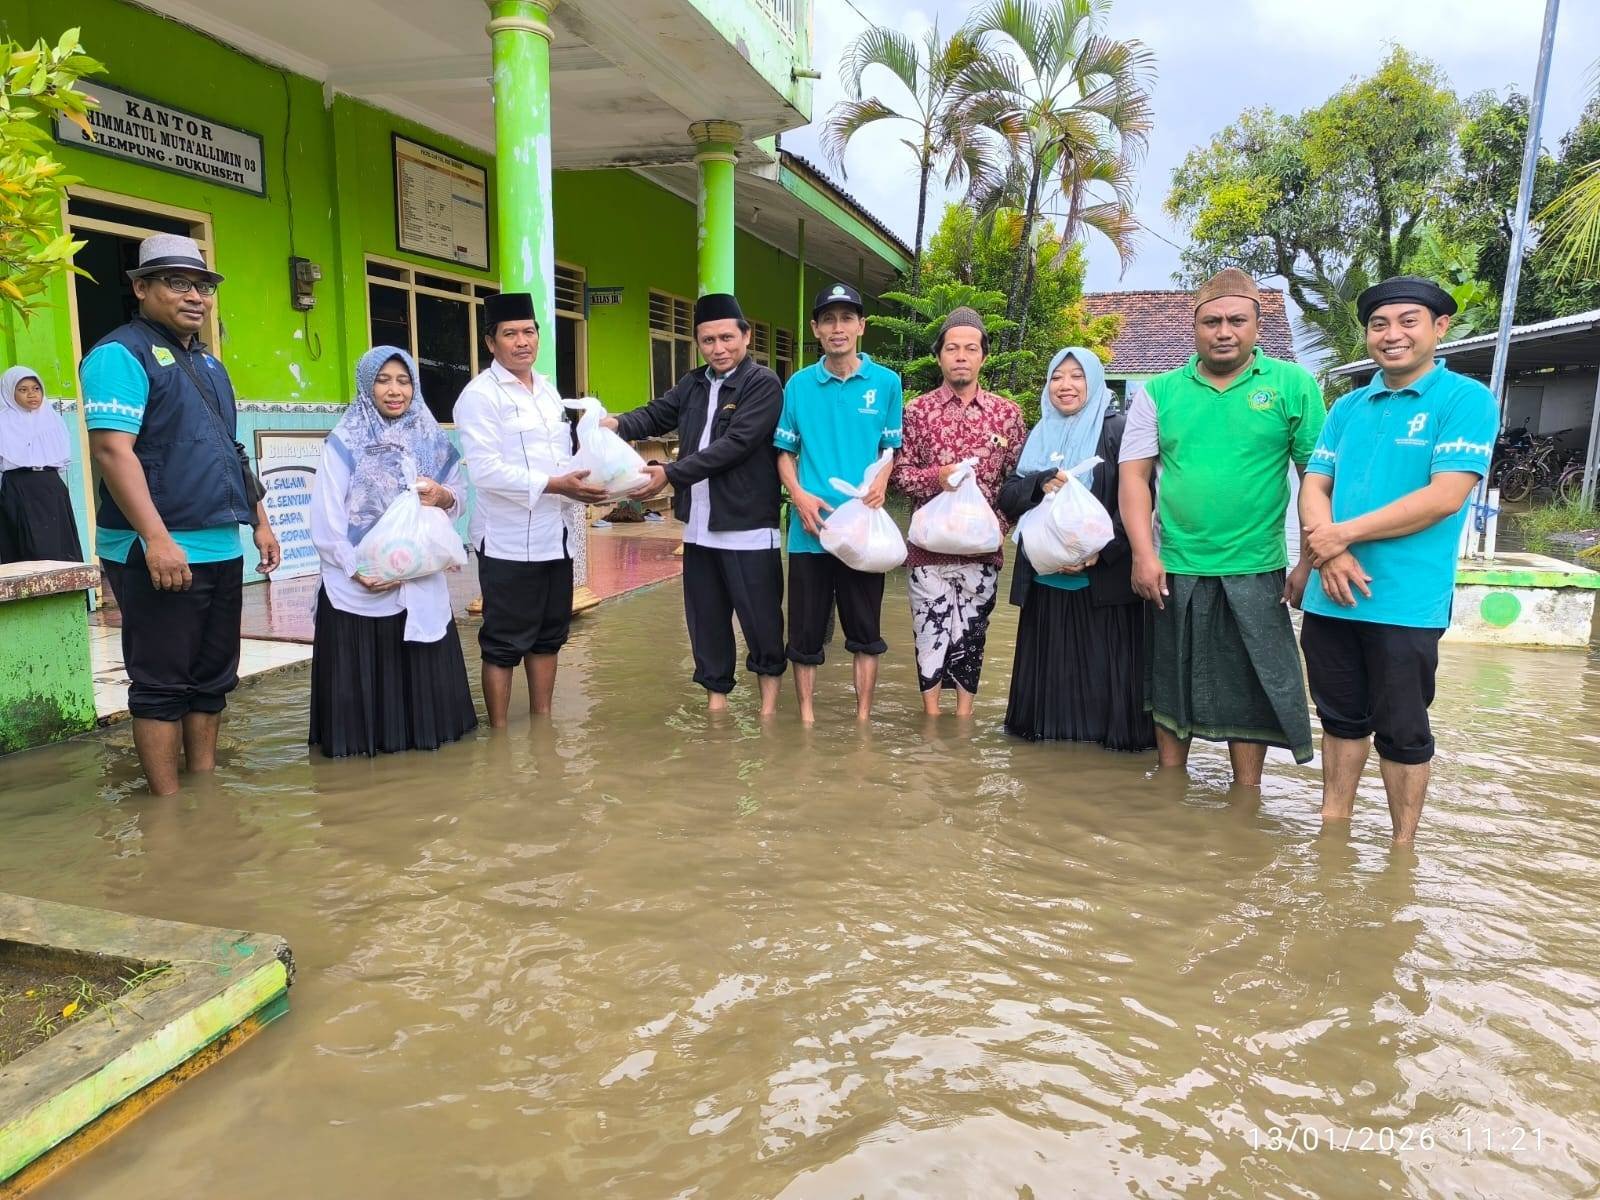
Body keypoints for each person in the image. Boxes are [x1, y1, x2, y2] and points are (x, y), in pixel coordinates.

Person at [1299, 276, 1498, 845]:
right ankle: (1331, 834)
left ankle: (1402, 850)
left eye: (1408, 321)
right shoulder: (1348, 406)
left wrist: (1338, 537)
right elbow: (1314, 485)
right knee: (1339, 722)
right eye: (1379, 324)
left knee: (1404, 731)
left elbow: (1444, 497)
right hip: (1329, 597)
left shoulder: (1464, 400)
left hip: (1405, 602)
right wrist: (1326, 548)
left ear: (1438, 329)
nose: (1392, 335)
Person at [80, 234, 280, 796]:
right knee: (162, 684)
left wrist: (259, 521)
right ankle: (167, 811)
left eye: (202, 286)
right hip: (158, 551)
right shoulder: (120, 354)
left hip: (219, 545)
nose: (195, 296)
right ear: (141, 288)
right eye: (177, 283)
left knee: (212, 681)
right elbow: (112, 451)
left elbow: (230, 449)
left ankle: (203, 793)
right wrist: (156, 539)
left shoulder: (209, 365)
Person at [1117, 268, 1324, 783]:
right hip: (1176, 565)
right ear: (1195, 326)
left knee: (1250, 687)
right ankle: (1170, 786)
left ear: (1257, 326)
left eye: (1236, 320)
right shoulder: (1159, 392)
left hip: (1257, 567)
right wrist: (1144, 553)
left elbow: (1316, 479)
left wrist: (1308, 561)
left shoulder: (1292, 385)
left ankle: (1246, 797)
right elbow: (1133, 480)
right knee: (1171, 684)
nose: (1223, 331)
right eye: (1211, 321)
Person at [606, 293, 786, 714]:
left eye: (726, 338)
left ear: (746, 336)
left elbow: (736, 445)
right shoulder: (694, 383)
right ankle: (716, 708)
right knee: (706, 622)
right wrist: (611, 424)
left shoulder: (763, 384)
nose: (718, 349)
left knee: (761, 623)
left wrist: (670, 474)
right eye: (708, 341)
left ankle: (769, 713)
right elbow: (654, 415)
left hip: (747, 527)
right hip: (700, 529)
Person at [308, 346, 477, 757]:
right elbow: (326, 513)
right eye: (383, 380)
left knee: (423, 690)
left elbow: (458, 496)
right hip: (361, 585)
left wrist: (443, 495)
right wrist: (352, 568)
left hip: (417, 577)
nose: (394, 390)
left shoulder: (430, 438)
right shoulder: (345, 440)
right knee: (362, 685)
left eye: (403, 380)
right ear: (367, 386)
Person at [454, 291, 607, 726]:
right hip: (506, 540)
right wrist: (553, 484)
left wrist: (592, 475)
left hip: (554, 538)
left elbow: (563, 458)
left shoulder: (548, 391)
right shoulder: (479, 396)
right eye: (510, 334)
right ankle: (499, 732)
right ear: (491, 343)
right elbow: (484, 471)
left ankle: (542, 722)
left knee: (548, 638)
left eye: (529, 332)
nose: (522, 342)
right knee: (503, 641)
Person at [1000, 347, 1152, 750]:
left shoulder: (1117, 430)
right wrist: (1039, 483)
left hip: (1103, 588)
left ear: (1095, 381)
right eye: (1057, 377)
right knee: (1047, 706)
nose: (1065, 385)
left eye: (1076, 376)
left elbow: (1142, 501)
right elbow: (1009, 497)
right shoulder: (1040, 434)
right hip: (1047, 590)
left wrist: (1101, 552)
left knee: (1105, 693)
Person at [775, 283, 903, 724]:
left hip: (862, 532)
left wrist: (882, 481)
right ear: (815, 328)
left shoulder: (887, 384)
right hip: (811, 530)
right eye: (828, 319)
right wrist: (797, 493)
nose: (838, 328)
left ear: (861, 326)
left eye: (847, 318)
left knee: (866, 633)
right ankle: (807, 718)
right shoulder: (798, 385)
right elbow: (784, 452)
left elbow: (891, 449)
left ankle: (863, 720)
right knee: (805, 635)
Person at [890, 307, 1025, 716]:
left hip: (982, 555)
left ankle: (963, 721)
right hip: (926, 552)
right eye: (952, 348)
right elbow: (899, 475)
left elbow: (1019, 485)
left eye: (970, 348)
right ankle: (931, 719)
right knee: (929, 638)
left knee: (972, 639)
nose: (961, 356)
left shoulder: (1008, 414)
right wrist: (937, 477)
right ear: (939, 356)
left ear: (983, 356)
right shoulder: (916, 412)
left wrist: (996, 528)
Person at [0, 366, 83, 564]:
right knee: (26, 547)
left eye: (36, 388)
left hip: (51, 486)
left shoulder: (52, 419)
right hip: (18, 487)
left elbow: (62, 458)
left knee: (59, 546)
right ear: (9, 392)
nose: (31, 394)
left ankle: (68, 592)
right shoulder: (3, 421)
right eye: (23, 389)